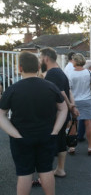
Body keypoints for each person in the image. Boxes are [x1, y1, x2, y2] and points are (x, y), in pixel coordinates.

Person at [0, 51, 68, 195]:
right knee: (46, 170)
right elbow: (63, 109)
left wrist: (15, 134)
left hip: (22, 139)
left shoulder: (12, 90)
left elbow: (1, 115)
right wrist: (55, 130)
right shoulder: (50, 87)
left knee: (24, 173)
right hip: (46, 136)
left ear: (20, 68)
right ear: (38, 67)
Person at [40, 47, 80, 178]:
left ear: (46, 58)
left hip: (55, 114)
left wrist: (70, 107)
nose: (40, 60)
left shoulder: (52, 74)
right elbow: (68, 91)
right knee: (61, 140)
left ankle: (46, 173)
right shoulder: (61, 72)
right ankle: (60, 169)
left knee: (50, 141)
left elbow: (61, 93)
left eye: (40, 58)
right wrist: (72, 107)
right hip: (62, 114)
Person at [67, 53, 91, 155]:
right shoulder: (88, 73)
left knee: (73, 123)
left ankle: (72, 147)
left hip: (74, 101)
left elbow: (68, 88)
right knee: (88, 123)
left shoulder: (70, 74)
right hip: (87, 100)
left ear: (75, 61)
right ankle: (90, 147)